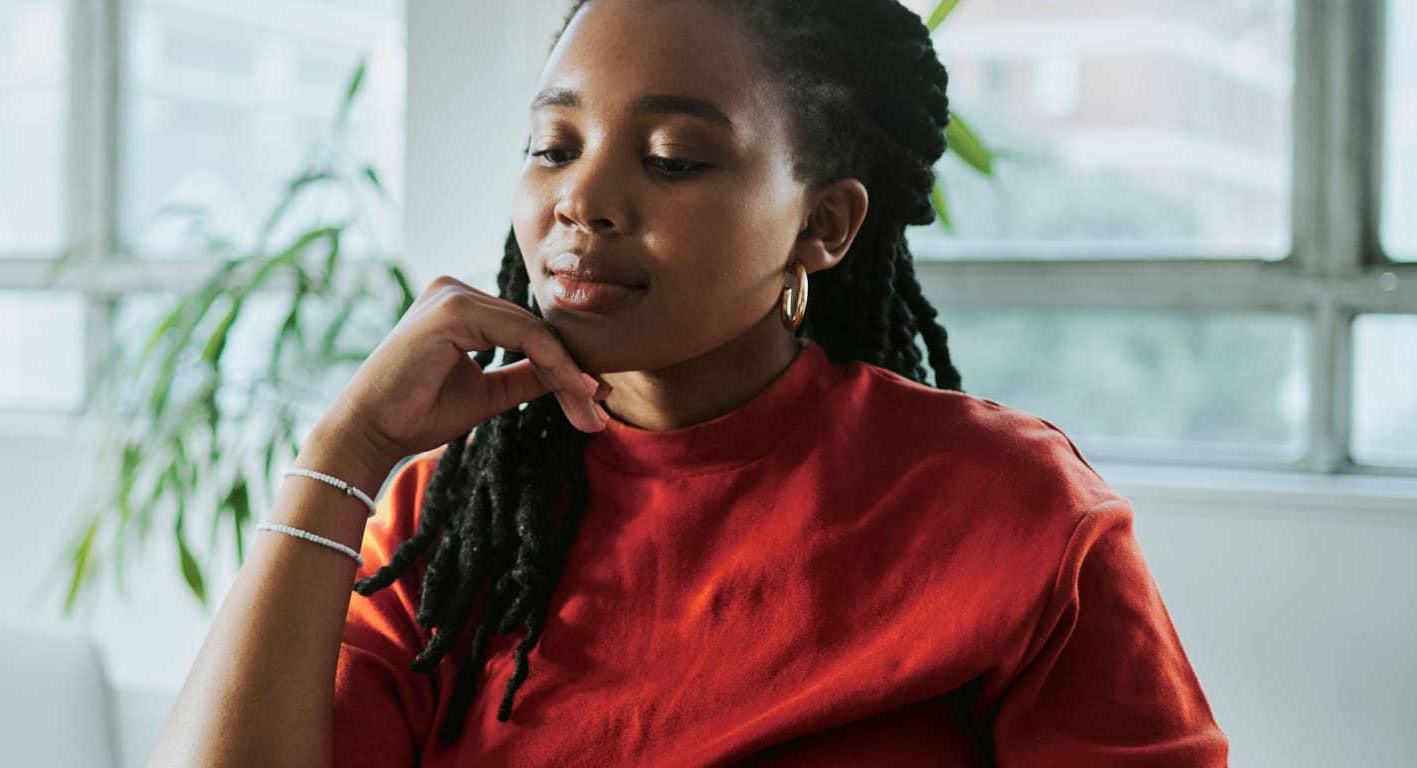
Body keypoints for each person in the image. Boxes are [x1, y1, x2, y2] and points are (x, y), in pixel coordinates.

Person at [147, 0, 1229, 765]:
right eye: (551, 144)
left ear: (822, 225)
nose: (583, 200)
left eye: (670, 157)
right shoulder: (443, 524)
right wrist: (342, 454)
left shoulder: (1010, 508)